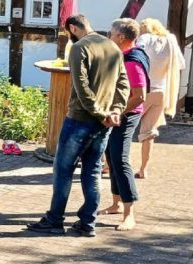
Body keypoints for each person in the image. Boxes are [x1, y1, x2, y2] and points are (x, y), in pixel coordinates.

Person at [28, 14, 129, 237]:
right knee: (92, 172)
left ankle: (54, 220)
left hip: (80, 120)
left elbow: (82, 87)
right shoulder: (113, 46)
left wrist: (101, 112)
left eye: (68, 33)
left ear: (73, 28)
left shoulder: (80, 47)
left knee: (63, 171)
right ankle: (87, 223)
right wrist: (114, 111)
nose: (68, 37)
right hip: (103, 123)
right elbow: (124, 84)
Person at [99, 19, 148, 231]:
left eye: (111, 33)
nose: (109, 36)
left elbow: (139, 96)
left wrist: (118, 112)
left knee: (119, 159)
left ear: (121, 38)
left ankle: (130, 214)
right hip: (118, 113)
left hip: (127, 115)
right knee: (110, 156)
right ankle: (116, 204)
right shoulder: (125, 55)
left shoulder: (133, 62)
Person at [134, 18, 186, 179]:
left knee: (121, 127)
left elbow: (135, 56)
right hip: (161, 91)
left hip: (143, 90)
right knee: (149, 133)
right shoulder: (170, 40)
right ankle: (143, 169)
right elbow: (181, 64)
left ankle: (110, 166)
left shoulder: (145, 38)